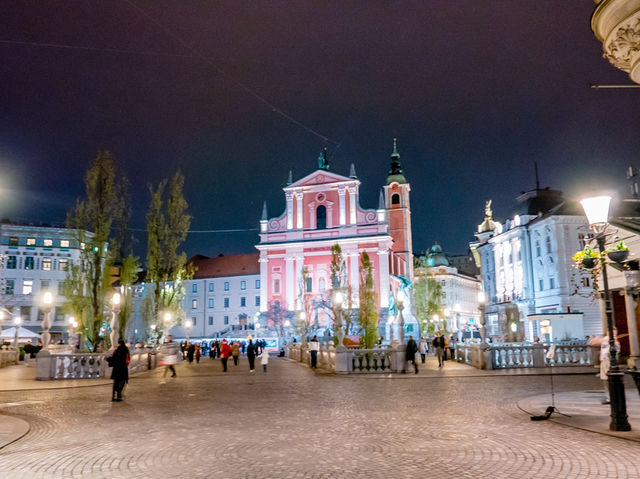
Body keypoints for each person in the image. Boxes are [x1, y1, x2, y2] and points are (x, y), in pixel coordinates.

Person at [589, 331, 620, 404]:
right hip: (603, 361)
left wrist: (614, 340)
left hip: (610, 361)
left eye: (614, 333)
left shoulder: (615, 341)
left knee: (612, 379)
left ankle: (615, 397)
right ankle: (609, 398)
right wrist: (600, 339)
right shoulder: (605, 339)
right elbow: (592, 342)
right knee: (605, 380)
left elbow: (617, 350)